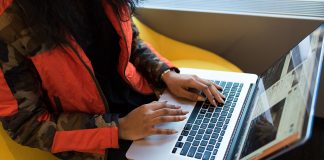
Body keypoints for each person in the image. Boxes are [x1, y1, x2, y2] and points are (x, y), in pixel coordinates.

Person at [0, 0, 225, 159]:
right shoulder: (8, 21)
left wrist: (167, 74)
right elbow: (25, 125)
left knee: (225, 130)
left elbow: (131, 42)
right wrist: (118, 128)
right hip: (97, 141)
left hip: (146, 102)